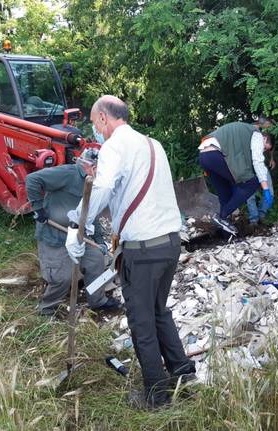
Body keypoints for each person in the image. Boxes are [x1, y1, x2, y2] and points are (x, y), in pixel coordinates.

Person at [66, 95, 195, 409]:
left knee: (141, 323)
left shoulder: (114, 146)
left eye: (96, 123)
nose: (96, 130)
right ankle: (183, 373)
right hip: (169, 243)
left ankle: (157, 396)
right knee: (158, 311)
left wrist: (77, 223)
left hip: (143, 251)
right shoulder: (152, 144)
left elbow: (103, 187)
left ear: (105, 119)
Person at [25, 148, 121, 318]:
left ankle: (96, 300)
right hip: (55, 237)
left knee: (96, 260)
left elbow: (92, 215)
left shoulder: (96, 184)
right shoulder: (67, 174)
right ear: (90, 166)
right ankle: (47, 309)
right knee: (62, 278)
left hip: (79, 236)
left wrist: (99, 241)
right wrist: (38, 208)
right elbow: (32, 179)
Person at [198, 118, 274, 234]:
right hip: (215, 155)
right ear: (264, 138)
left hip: (204, 157)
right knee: (251, 184)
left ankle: (226, 235)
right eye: (265, 148)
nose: (263, 151)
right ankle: (221, 216)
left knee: (226, 196)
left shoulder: (242, 133)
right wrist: (266, 188)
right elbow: (257, 161)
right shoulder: (257, 134)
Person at [247, 152, 275, 225]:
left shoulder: (262, 141)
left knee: (270, 192)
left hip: (261, 165)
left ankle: (261, 216)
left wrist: (271, 158)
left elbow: (271, 145)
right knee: (250, 195)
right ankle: (254, 220)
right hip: (247, 166)